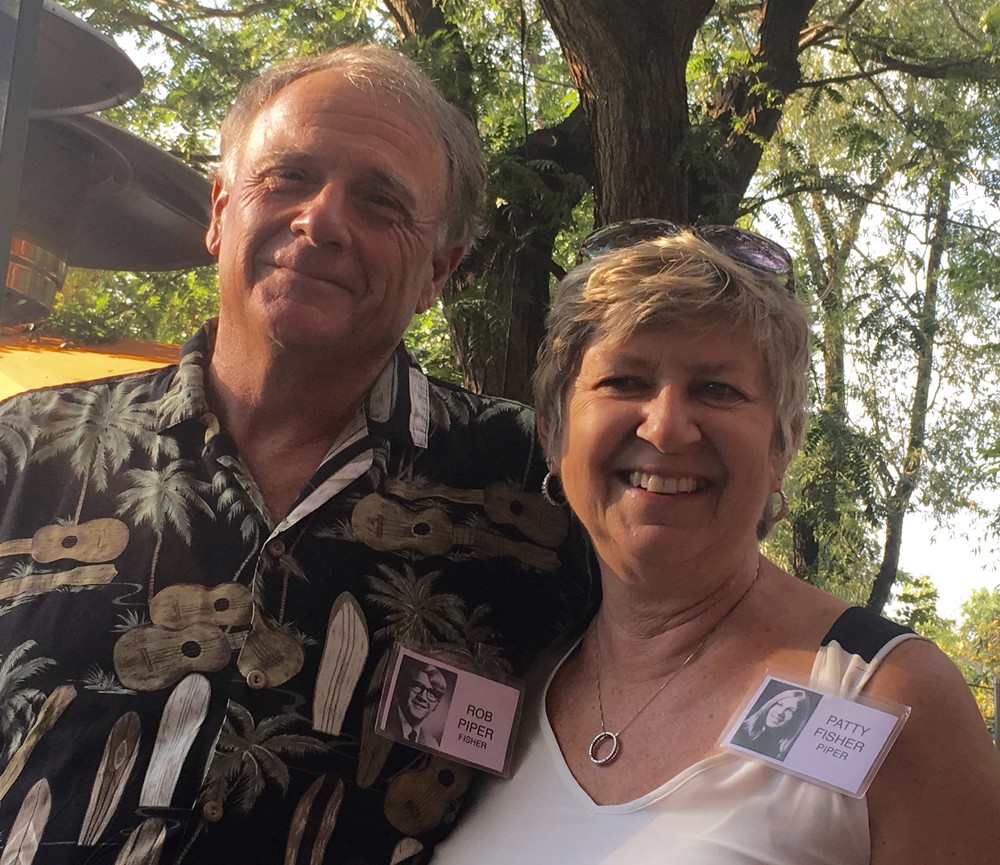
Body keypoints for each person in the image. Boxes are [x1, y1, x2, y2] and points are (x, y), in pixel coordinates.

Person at [0, 45, 595, 863]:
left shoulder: (543, 485)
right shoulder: (26, 447)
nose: (320, 220)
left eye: (381, 201)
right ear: (219, 209)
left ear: (439, 271)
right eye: (286, 177)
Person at [435, 221, 1000, 864]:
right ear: (551, 433)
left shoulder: (888, 695)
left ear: (783, 444)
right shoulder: (510, 677)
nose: (668, 427)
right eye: (624, 381)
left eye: (717, 389)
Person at [730, 687, 813, 760]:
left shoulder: (785, 752)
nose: (780, 712)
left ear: (797, 719)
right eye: (779, 704)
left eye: (790, 710)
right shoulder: (739, 730)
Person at [384, 661, 449, 747]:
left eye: (432, 694)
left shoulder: (431, 744)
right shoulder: (384, 721)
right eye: (417, 687)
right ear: (403, 687)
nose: (423, 697)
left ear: (436, 705)